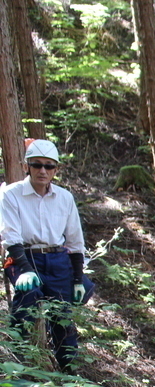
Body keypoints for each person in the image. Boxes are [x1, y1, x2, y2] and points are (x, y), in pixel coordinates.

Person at [2, 139, 94, 371]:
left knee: (63, 316)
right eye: (37, 165)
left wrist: (76, 278)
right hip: (24, 257)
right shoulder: (11, 194)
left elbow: (74, 241)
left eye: (49, 166)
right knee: (26, 303)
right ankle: (16, 367)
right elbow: (10, 236)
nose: (42, 170)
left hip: (57, 260)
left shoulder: (64, 198)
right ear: (27, 166)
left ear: (56, 169)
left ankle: (69, 371)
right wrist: (25, 269)